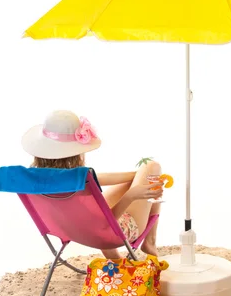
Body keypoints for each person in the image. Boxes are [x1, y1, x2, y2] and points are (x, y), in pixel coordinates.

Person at [21, 110, 163, 259]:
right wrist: (130, 196)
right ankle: (150, 241)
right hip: (110, 234)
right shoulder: (78, 180)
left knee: (145, 175)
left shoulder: (38, 179)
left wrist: (139, 175)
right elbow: (105, 222)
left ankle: (114, 257)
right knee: (153, 166)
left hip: (76, 232)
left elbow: (98, 179)